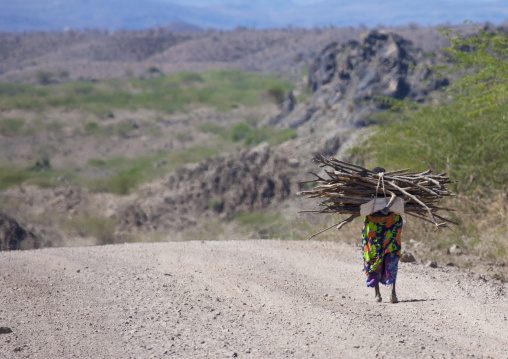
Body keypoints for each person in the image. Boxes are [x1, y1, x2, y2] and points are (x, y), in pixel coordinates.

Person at [359, 167, 404, 303]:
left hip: (373, 229)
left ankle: (377, 294)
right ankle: (393, 293)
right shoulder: (394, 187)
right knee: (392, 257)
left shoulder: (365, 190)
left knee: (373, 258)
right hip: (392, 226)